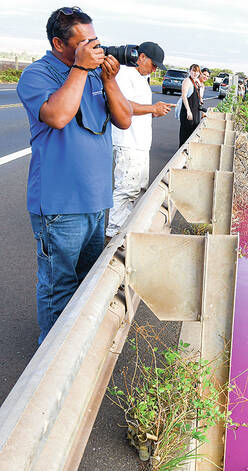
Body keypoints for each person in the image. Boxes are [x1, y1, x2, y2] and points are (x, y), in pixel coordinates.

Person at [17, 6, 132, 343]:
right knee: (58, 284)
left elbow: (124, 119)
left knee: (87, 281)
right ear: (58, 43)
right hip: (59, 205)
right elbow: (57, 116)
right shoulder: (38, 75)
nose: (95, 48)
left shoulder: (97, 75)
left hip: (96, 200)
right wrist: (81, 69)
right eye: (85, 42)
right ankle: (49, 359)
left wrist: (109, 80)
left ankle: (76, 346)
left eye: (95, 40)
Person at [107, 42, 175, 239]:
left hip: (140, 143)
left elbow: (137, 108)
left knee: (138, 190)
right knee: (127, 190)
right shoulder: (124, 74)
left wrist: (152, 112)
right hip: (128, 142)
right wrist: (152, 109)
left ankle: (129, 234)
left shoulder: (141, 78)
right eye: (153, 65)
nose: (154, 70)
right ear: (142, 57)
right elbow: (121, 105)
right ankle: (114, 235)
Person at [178, 63, 203, 146]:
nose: (195, 73)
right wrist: (188, 111)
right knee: (185, 134)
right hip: (188, 111)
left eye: (197, 72)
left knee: (192, 132)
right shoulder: (187, 81)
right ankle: (181, 153)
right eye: (193, 71)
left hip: (195, 111)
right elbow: (184, 96)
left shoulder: (197, 82)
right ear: (190, 71)